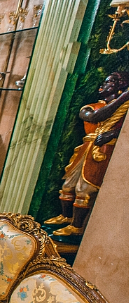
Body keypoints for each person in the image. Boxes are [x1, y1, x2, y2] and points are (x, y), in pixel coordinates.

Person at [44, 71, 129, 236]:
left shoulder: (123, 112)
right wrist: (123, 98)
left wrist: (112, 134)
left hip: (103, 151)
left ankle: (76, 226)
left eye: (109, 82)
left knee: (85, 189)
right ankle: (66, 216)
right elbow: (96, 117)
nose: (102, 85)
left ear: (121, 85)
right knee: (68, 185)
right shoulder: (92, 107)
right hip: (86, 148)